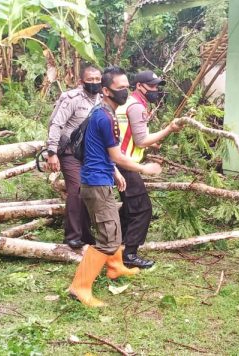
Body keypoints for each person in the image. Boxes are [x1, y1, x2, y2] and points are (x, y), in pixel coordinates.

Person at [68, 66, 163, 307]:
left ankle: (115, 266)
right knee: (109, 238)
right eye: (119, 89)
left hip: (102, 178)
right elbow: (117, 155)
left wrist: (114, 171)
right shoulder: (104, 117)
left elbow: (97, 150)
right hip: (96, 184)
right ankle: (79, 288)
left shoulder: (103, 112)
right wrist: (144, 169)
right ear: (106, 90)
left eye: (126, 87)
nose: (124, 92)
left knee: (114, 228)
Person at [114, 70, 180, 268]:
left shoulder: (126, 103)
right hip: (126, 163)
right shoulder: (136, 107)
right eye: (151, 86)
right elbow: (141, 140)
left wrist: (153, 141)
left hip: (117, 159)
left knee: (128, 207)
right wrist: (168, 129)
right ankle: (130, 253)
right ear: (139, 86)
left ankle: (115, 245)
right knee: (142, 209)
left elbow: (131, 135)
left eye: (157, 86)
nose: (155, 90)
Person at [45, 65, 103, 249]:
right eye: (90, 79)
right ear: (81, 81)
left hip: (90, 153)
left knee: (88, 191)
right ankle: (72, 236)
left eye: (97, 79)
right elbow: (56, 124)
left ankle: (86, 234)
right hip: (70, 151)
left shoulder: (102, 99)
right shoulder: (72, 99)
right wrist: (52, 153)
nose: (94, 83)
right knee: (76, 190)